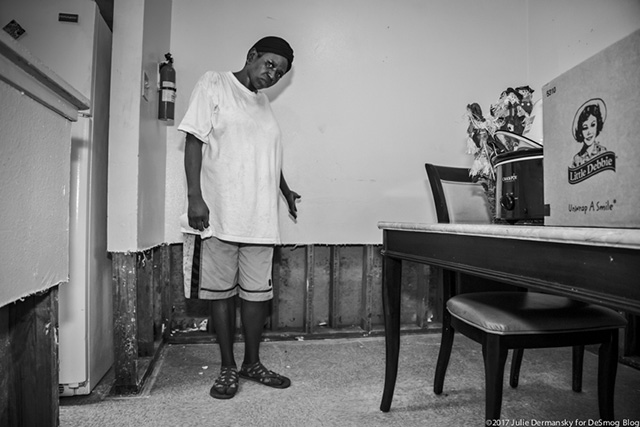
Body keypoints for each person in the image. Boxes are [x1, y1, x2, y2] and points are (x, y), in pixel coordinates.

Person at [178, 36, 301, 400]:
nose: (273, 74)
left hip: (260, 217)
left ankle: (251, 362)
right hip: (222, 212)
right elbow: (194, 140)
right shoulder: (214, 83)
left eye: (280, 72)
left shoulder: (263, 105)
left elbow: (267, 156)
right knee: (220, 294)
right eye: (269, 64)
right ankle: (227, 366)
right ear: (252, 56)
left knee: (256, 296)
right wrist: (194, 198)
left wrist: (285, 190)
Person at [571, 99, 607, 168]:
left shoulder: (603, 152)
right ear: (580, 131)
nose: (589, 132)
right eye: (585, 128)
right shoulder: (577, 159)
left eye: (593, 125)